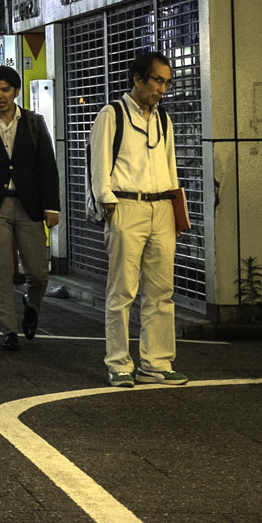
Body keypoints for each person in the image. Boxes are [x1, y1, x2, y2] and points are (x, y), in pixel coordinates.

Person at [90, 50, 186, 387]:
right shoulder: (111, 114)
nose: (162, 88)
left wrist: (176, 210)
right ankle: (119, 363)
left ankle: (156, 362)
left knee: (161, 291)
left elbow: (171, 167)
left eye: (166, 82)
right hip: (125, 206)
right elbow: (99, 163)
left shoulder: (163, 119)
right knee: (122, 292)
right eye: (157, 80)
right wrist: (107, 202)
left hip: (162, 209)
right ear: (137, 79)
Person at [0, 66, 61, 350]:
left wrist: (51, 206)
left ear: (16, 91)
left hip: (29, 204)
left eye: (5, 90)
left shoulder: (33, 122)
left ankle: (31, 304)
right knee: (2, 271)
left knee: (39, 272)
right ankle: (9, 329)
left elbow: (48, 166)